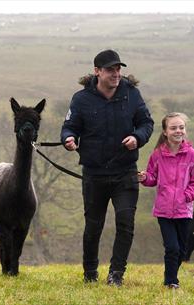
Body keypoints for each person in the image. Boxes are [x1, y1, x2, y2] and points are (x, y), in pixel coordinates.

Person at [61, 49, 154, 286]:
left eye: (118, 69)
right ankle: (90, 272)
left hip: (125, 172)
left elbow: (146, 123)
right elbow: (69, 127)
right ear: (97, 71)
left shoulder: (132, 94)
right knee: (93, 226)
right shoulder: (81, 99)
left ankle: (116, 274)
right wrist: (69, 139)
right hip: (94, 174)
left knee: (125, 223)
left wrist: (137, 138)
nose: (116, 74)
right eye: (111, 70)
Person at [138, 112, 194, 289]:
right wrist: (144, 177)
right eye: (173, 128)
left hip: (184, 210)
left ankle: (171, 276)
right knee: (172, 248)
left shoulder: (192, 154)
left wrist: (187, 196)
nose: (178, 131)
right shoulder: (157, 155)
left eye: (181, 127)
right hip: (163, 210)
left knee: (182, 250)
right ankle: (171, 281)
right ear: (165, 132)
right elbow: (152, 178)